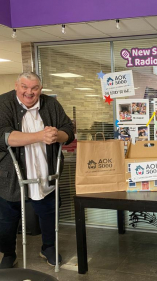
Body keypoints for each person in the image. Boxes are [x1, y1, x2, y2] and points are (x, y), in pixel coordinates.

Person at [0, 72, 75, 269]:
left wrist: (57, 135)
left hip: (44, 171)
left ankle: (48, 247)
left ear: (40, 89)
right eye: (24, 87)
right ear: (17, 86)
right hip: (11, 176)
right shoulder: (3, 103)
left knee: (49, 214)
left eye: (34, 88)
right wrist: (40, 135)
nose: (29, 92)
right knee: (7, 219)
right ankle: (8, 253)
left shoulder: (50, 104)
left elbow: (68, 129)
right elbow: (4, 137)